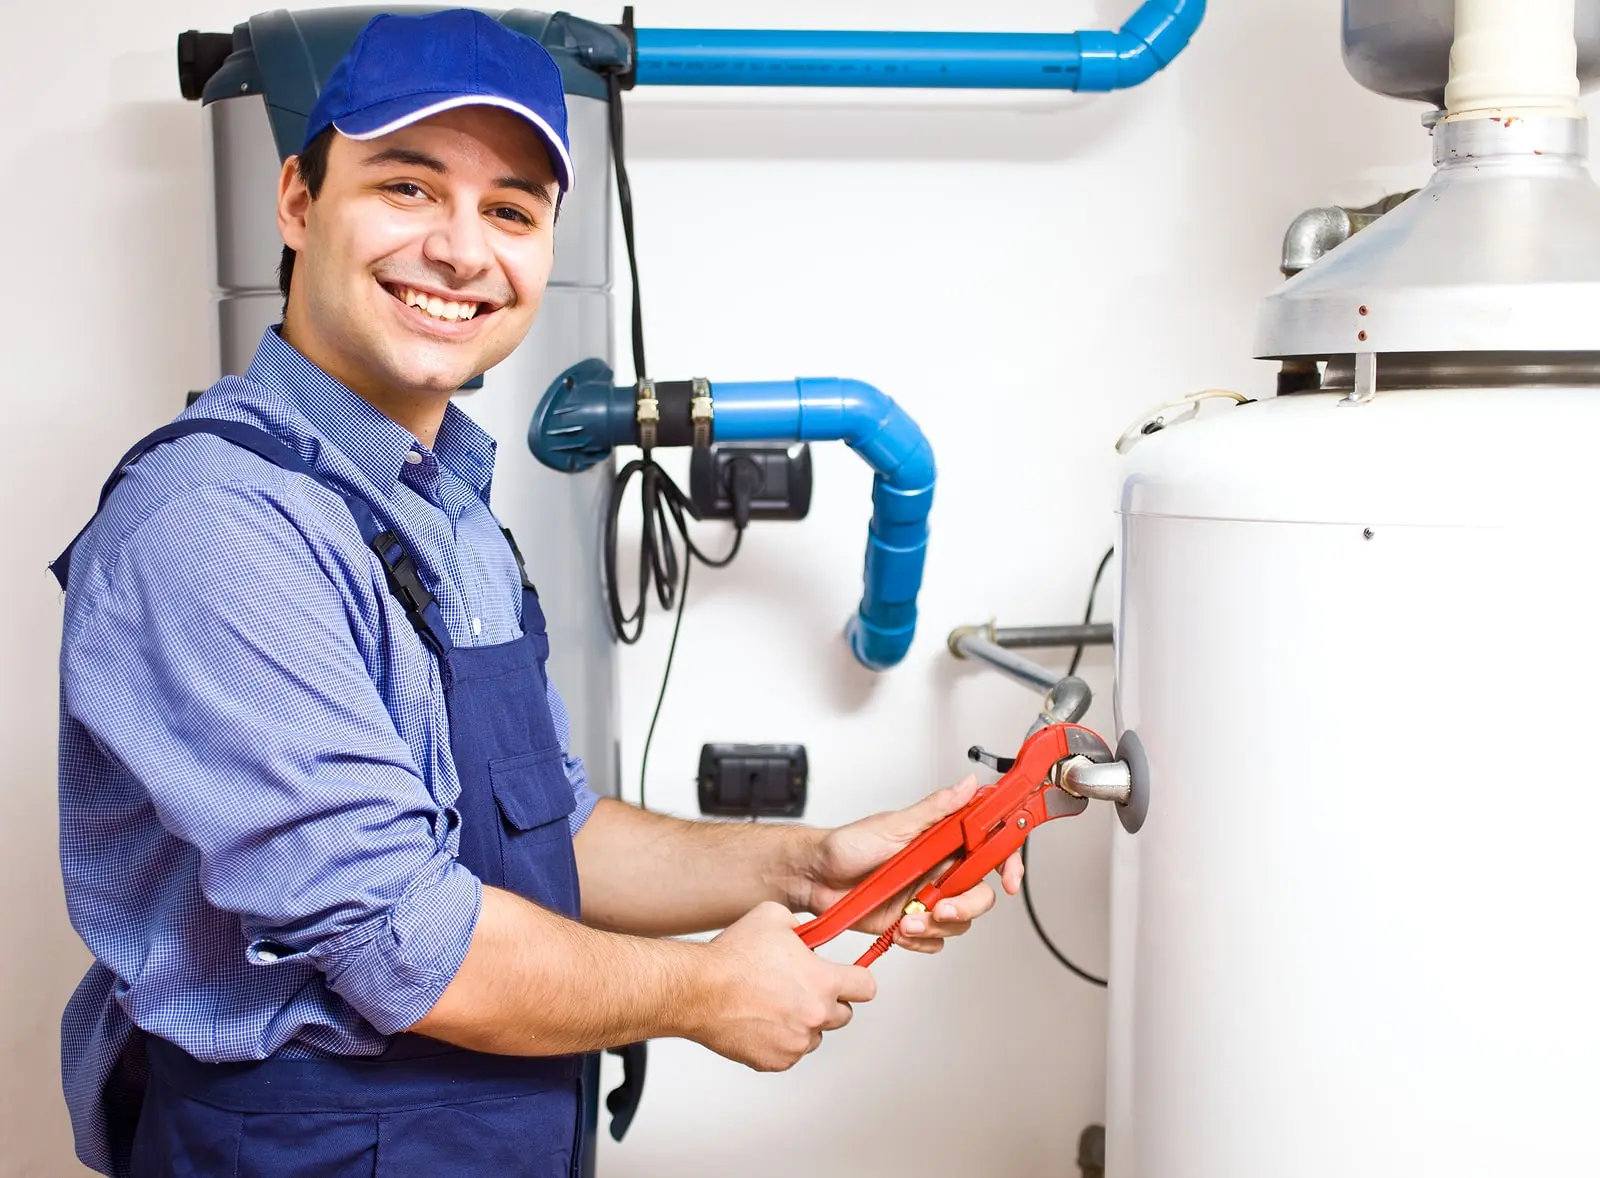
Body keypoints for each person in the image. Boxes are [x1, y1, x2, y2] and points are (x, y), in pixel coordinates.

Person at [53, 10, 1022, 1177]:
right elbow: (401, 937)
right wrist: (707, 987)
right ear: (299, 203)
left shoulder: (447, 507)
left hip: (491, 1128)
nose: (463, 250)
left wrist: (808, 866)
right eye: (407, 187)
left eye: (510, 209)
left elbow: (549, 831)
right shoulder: (217, 524)